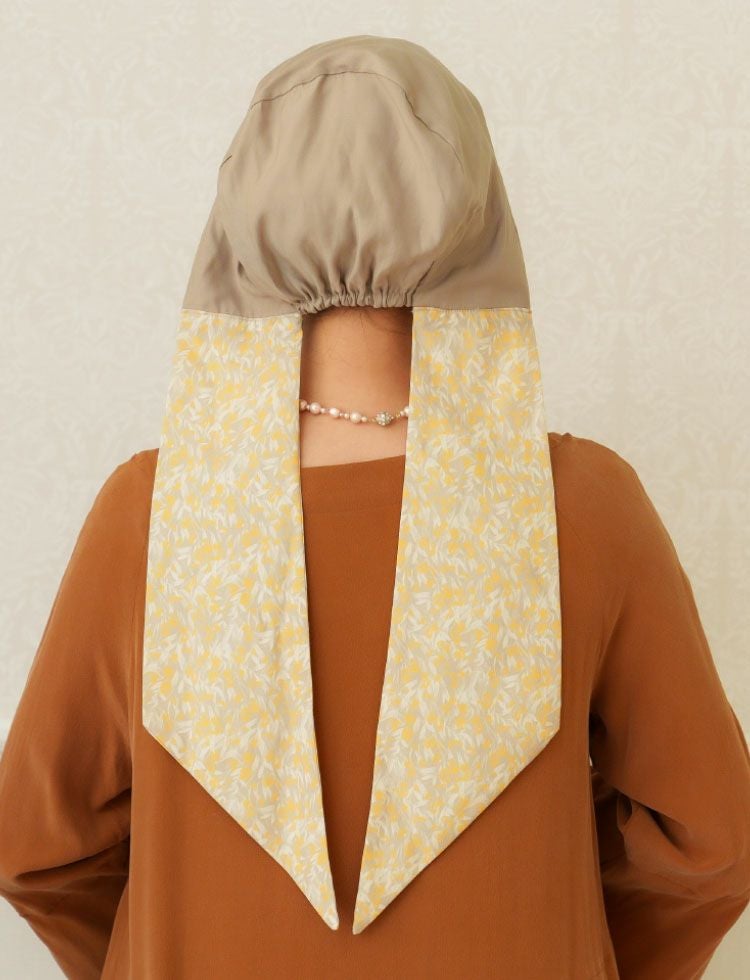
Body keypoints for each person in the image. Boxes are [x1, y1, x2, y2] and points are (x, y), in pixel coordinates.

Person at [1, 33, 749, 980]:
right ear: (476, 218)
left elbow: (35, 848)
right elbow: (713, 841)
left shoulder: (149, 516)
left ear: (241, 226)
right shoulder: (585, 508)